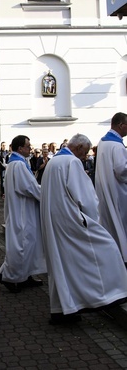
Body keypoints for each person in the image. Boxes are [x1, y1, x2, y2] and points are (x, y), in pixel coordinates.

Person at [40, 134, 127, 325]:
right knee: (107, 246)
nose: (85, 156)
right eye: (85, 152)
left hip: (55, 222)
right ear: (78, 147)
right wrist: (94, 222)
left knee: (61, 264)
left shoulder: (54, 162)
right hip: (72, 222)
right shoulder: (71, 162)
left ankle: (63, 309)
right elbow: (86, 199)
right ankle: (109, 294)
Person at [0, 135, 46, 293]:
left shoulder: (16, 163)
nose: (30, 148)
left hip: (23, 208)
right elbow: (29, 187)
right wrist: (47, 192)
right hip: (23, 211)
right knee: (22, 245)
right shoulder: (18, 164)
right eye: (28, 146)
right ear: (20, 148)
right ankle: (10, 277)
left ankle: (25, 275)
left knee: (28, 244)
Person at [95, 112, 127, 262]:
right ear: (121, 125)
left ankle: (112, 256)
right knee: (121, 223)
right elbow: (121, 170)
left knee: (109, 224)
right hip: (118, 191)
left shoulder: (102, 142)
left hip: (104, 190)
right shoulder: (116, 145)